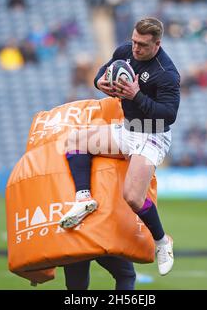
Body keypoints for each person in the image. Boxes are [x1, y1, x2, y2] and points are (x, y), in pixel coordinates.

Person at [59, 17, 179, 276]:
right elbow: (104, 70)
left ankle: (161, 241)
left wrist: (137, 96)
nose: (135, 48)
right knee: (74, 140)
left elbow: (168, 115)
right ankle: (83, 200)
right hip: (127, 129)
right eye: (134, 41)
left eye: (143, 45)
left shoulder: (166, 73)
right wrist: (99, 81)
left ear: (157, 44)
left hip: (152, 135)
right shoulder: (126, 50)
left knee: (133, 197)